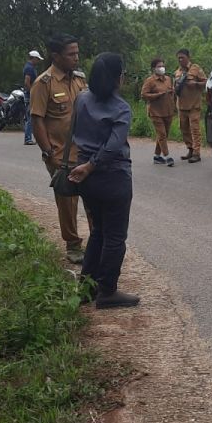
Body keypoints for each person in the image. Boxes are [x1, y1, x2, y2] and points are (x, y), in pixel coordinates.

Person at [68, 53, 140, 308]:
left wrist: (86, 165)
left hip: (87, 179)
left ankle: (86, 288)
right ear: (117, 78)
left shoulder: (81, 99)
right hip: (113, 177)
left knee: (98, 231)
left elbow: (74, 131)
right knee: (115, 237)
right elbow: (113, 147)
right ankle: (107, 291)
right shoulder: (121, 108)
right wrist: (93, 165)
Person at [30, 34, 91, 264]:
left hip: (84, 152)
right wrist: (48, 153)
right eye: (71, 54)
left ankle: (96, 243)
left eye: (77, 53)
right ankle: (73, 245)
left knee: (93, 197)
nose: (76, 58)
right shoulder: (43, 83)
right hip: (60, 156)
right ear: (56, 56)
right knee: (67, 201)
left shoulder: (79, 80)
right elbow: (37, 121)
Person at [174, 49, 208, 163]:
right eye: (178, 58)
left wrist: (196, 84)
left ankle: (196, 153)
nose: (180, 60)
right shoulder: (177, 72)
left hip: (194, 106)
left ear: (188, 57)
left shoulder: (196, 69)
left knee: (195, 130)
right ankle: (190, 149)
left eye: (182, 57)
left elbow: (206, 82)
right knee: (184, 129)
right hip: (181, 106)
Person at [141, 57, 176, 167]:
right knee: (162, 134)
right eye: (159, 66)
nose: (162, 68)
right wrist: (157, 95)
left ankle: (157, 156)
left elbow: (172, 92)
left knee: (164, 135)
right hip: (156, 112)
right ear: (153, 68)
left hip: (168, 111)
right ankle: (167, 156)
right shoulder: (150, 81)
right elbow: (144, 95)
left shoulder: (168, 79)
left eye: (162, 66)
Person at [23, 50, 42, 145]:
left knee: (31, 116)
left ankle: (31, 136)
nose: (38, 61)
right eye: (37, 59)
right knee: (30, 117)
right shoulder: (29, 68)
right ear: (33, 58)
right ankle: (28, 138)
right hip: (30, 95)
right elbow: (27, 82)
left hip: (30, 94)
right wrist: (32, 93)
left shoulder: (30, 67)